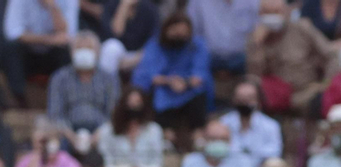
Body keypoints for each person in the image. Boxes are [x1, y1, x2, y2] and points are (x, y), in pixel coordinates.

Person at [132, 12, 211, 143]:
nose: (179, 36)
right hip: (164, 91)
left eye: (183, 33)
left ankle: (198, 138)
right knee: (157, 95)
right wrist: (170, 81)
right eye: (175, 32)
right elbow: (148, 74)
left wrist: (185, 83)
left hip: (189, 90)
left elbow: (200, 75)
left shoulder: (197, 45)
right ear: (166, 29)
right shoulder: (155, 45)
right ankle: (167, 139)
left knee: (199, 94)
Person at [245, 0, 329, 116]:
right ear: (259, 14)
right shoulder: (255, 38)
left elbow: (330, 56)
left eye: (276, 12)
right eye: (267, 12)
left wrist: (326, 84)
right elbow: (253, 74)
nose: (272, 16)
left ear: (286, 11)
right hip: (273, 98)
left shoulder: (302, 29)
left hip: (306, 93)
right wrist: (257, 45)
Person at [97, 86, 164, 167]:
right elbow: (105, 162)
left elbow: (157, 162)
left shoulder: (154, 130)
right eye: (130, 103)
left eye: (138, 103)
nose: (133, 108)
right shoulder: (108, 131)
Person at [3, 0, 76, 106]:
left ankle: (64, 101)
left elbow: (68, 35)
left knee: (66, 50)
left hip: (53, 55)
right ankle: (18, 100)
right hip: (28, 55)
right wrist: (49, 40)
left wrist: (53, 6)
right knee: (11, 47)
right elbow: (13, 33)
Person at [47, 33, 119, 134]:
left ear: (98, 52)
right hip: (67, 132)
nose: (84, 52)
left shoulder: (109, 79)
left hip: (101, 132)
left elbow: (113, 113)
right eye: (79, 48)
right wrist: (71, 136)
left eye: (89, 48)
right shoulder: (59, 78)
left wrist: (99, 135)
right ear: (71, 52)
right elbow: (55, 113)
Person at [190, 0, 259, 74]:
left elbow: (259, 26)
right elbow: (192, 33)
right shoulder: (198, 2)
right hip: (209, 59)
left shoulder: (252, 2)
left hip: (242, 59)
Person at [221, 78, 281, 163]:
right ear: (234, 99)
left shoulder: (271, 126)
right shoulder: (223, 123)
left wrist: (251, 152)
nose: (245, 102)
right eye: (241, 98)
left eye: (249, 98)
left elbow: (275, 152)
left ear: (258, 100)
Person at [97, 0, 161, 75]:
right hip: (119, 52)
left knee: (152, 55)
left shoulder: (149, 8)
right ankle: (108, 85)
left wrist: (137, 58)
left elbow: (154, 39)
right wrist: (124, 6)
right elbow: (115, 33)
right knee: (111, 48)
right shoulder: (112, 4)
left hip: (140, 53)